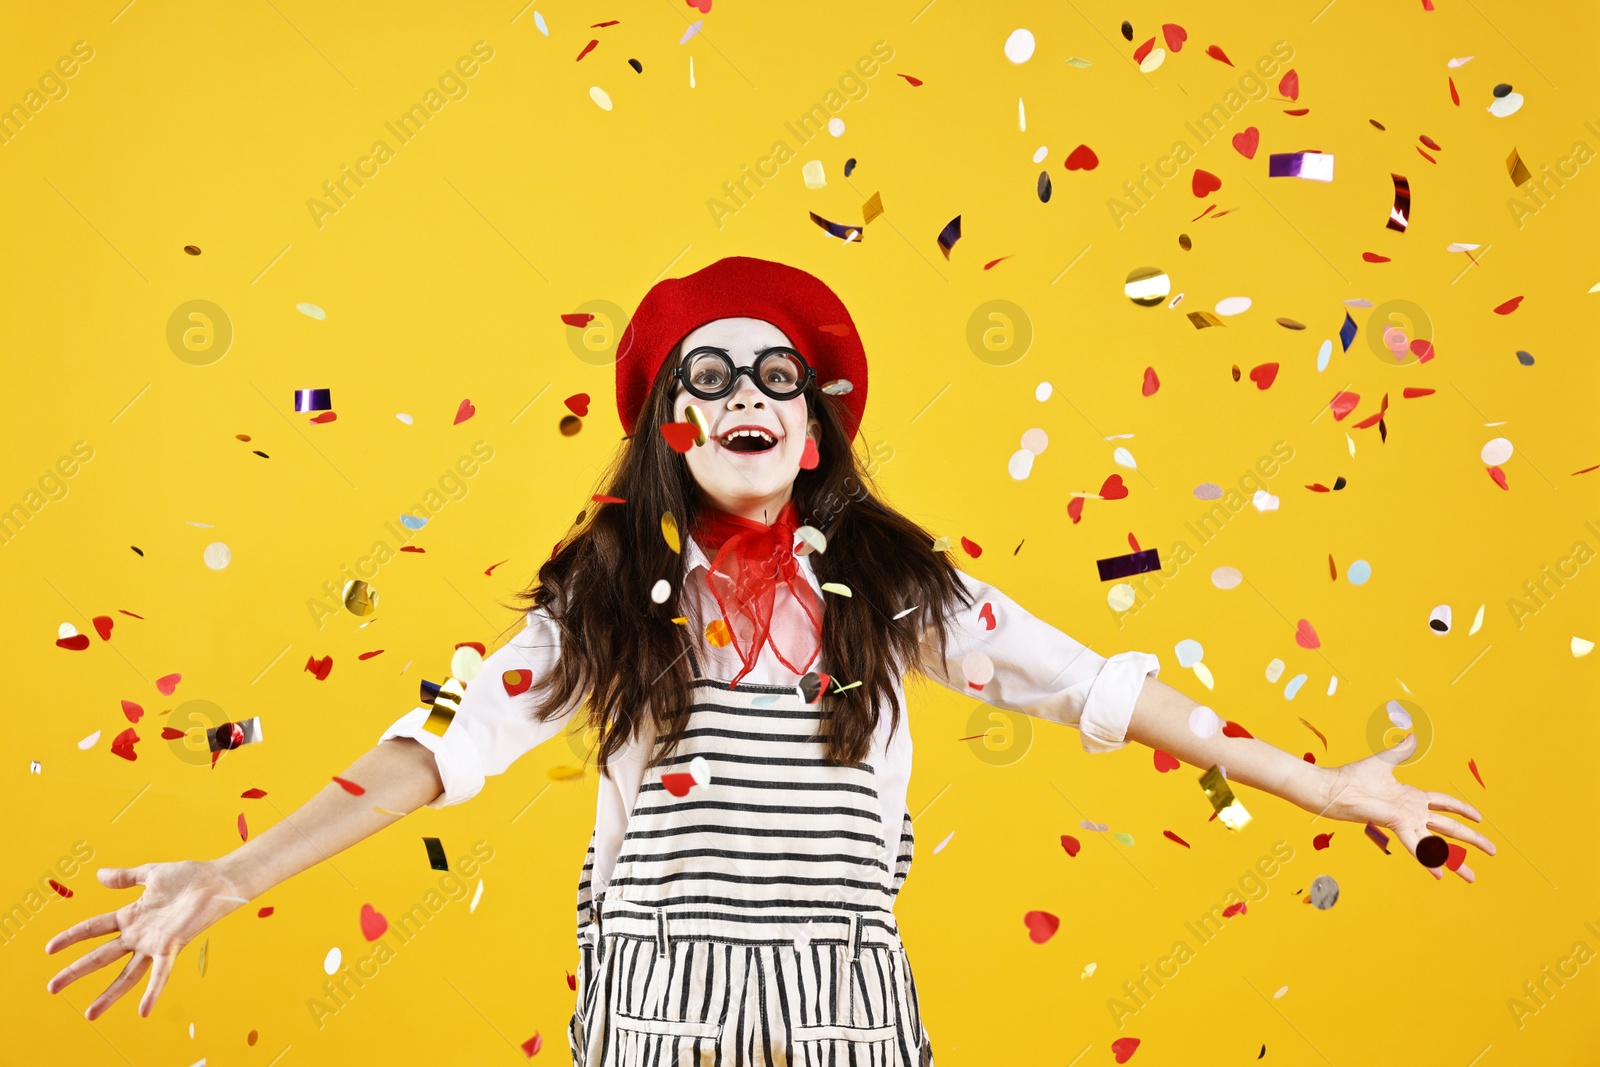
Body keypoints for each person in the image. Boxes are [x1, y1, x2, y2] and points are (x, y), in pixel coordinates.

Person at [43, 257, 1494, 1065]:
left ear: (815, 428)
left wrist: (1319, 788)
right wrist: (229, 877)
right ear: (666, 427)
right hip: (652, 998)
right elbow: (438, 745)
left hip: (850, 1000)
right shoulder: (602, 605)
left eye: (776, 377)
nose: (745, 393)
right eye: (707, 377)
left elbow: (1100, 687)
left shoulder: (899, 588)